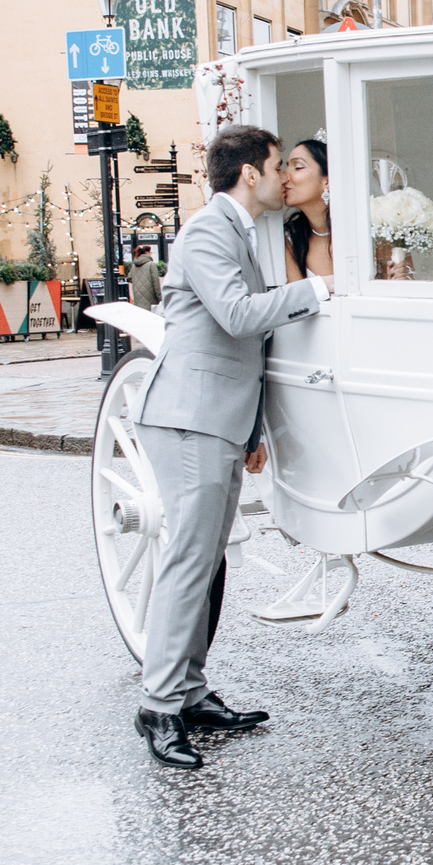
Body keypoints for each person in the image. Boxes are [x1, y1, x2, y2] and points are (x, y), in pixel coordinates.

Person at [130, 123, 331, 769]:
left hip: (215, 418)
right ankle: (159, 705)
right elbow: (239, 316)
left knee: (206, 559)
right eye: (276, 166)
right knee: (190, 561)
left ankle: (188, 692)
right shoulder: (208, 231)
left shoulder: (236, 232)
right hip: (187, 417)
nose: (281, 177)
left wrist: (249, 431)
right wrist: (319, 290)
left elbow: (242, 343)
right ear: (250, 172)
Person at [281, 138, 333, 281]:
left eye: (297, 167)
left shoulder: (359, 232)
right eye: (286, 167)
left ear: (327, 181)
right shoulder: (290, 237)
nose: (284, 177)